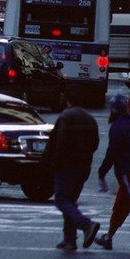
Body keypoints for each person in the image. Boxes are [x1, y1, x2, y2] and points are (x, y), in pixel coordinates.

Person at [41, 88, 100, 250]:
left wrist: (53, 162)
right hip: (84, 166)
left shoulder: (66, 117)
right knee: (70, 201)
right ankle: (69, 239)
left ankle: (86, 225)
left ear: (67, 99)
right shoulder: (90, 118)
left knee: (61, 199)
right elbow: (95, 143)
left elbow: (58, 142)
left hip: (67, 165)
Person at [93, 93, 130, 250]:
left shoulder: (117, 127)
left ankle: (109, 237)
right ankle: (108, 237)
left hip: (129, 171)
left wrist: (102, 171)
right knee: (121, 205)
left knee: (129, 202)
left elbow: (112, 152)